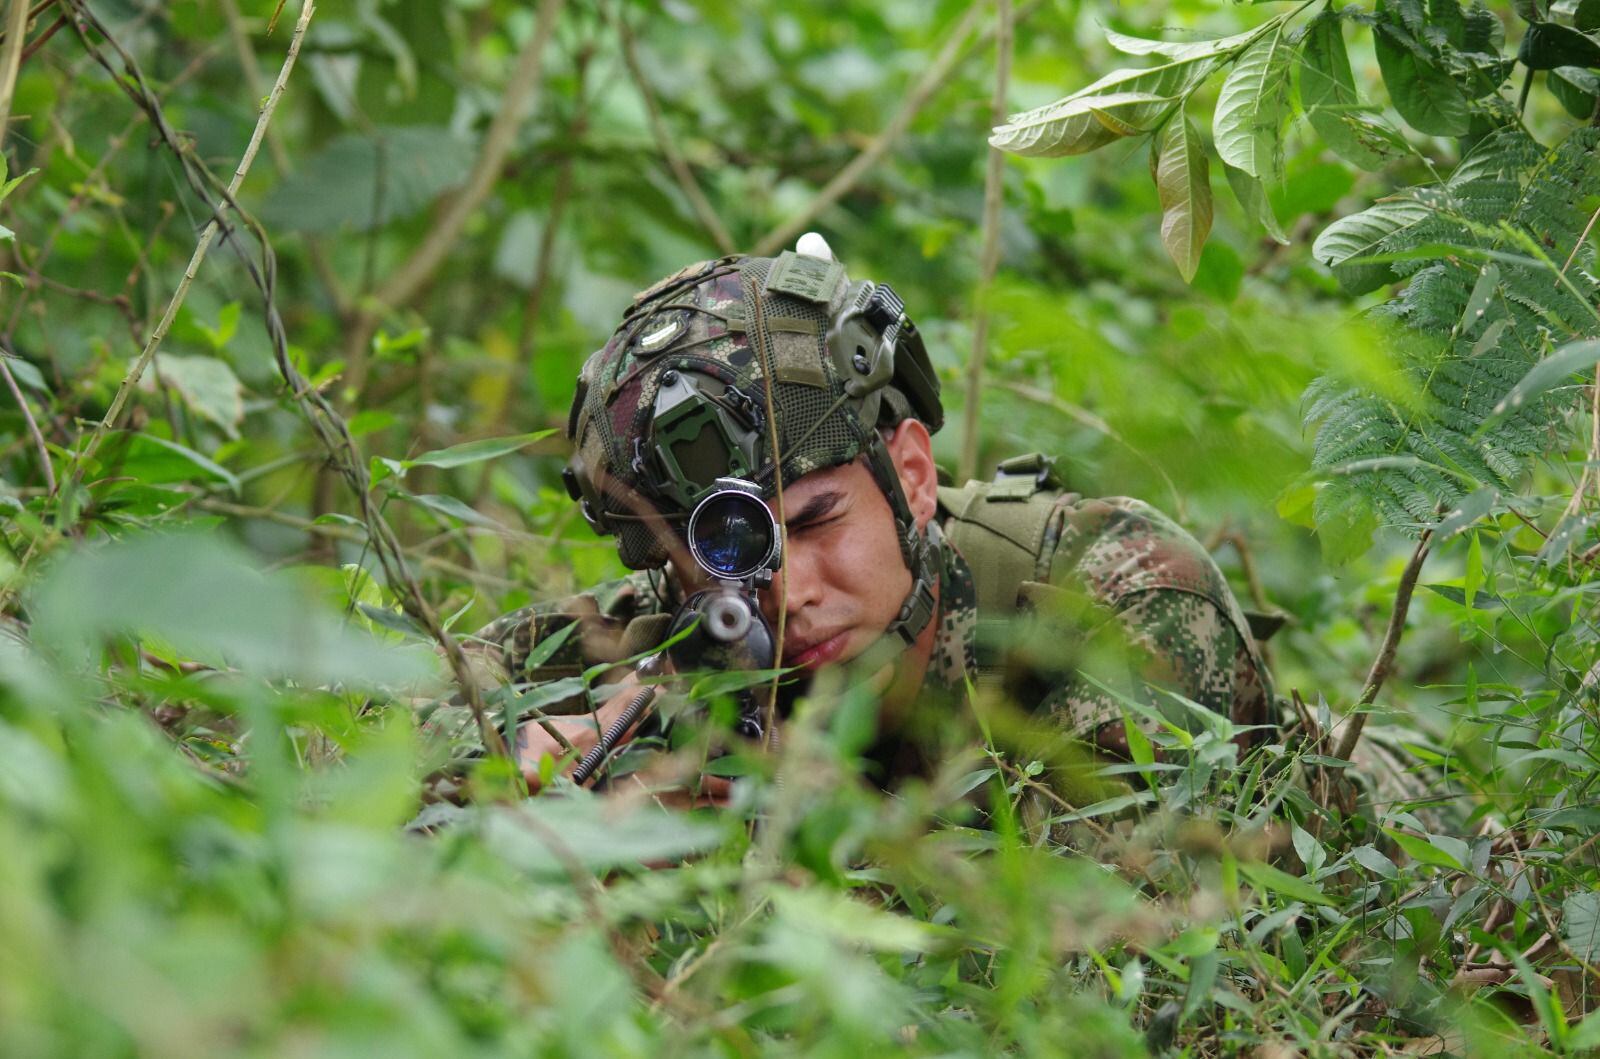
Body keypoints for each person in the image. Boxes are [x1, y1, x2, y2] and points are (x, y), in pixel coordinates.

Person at [441, 236, 1273, 801]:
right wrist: (545, 752)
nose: (787, 589)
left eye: (813, 521)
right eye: (734, 548)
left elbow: (1103, 943)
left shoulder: (1117, 588)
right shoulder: (693, 644)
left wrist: (757, 829)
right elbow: (380, 705)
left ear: (910, 475)